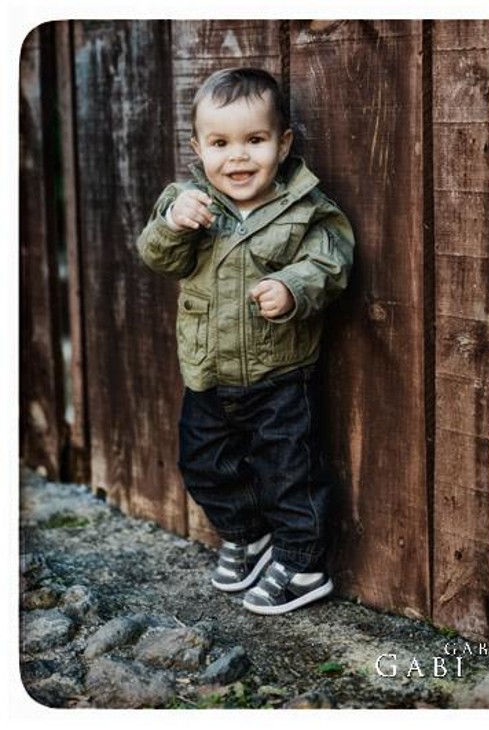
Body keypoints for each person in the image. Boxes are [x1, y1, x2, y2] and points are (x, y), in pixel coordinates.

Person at [137, 67, 355, 615]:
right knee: (204, 464)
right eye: (220, 143)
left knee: (290, 472)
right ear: (199, 148)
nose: (237, 157)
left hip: (280, 375)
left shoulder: (306, 207)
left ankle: (303, 565)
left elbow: (331, 261)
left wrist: (291, 285)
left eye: (254, 140)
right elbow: (158, 257)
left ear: (282, 144)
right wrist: (172, 222)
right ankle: (248, 534)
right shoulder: (189, 201)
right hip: (207, 372)